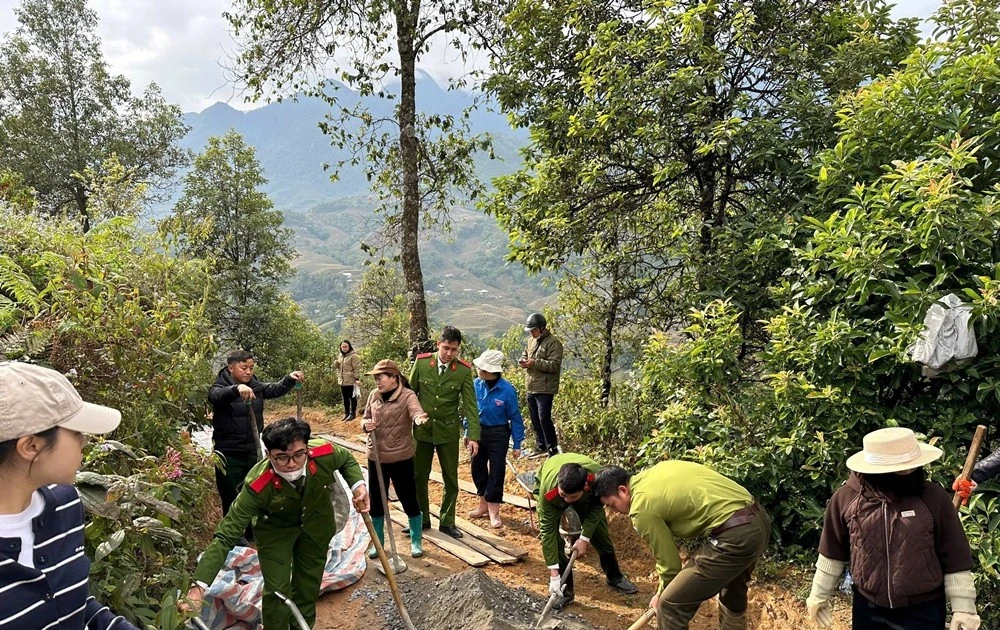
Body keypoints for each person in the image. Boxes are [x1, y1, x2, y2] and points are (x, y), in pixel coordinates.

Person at [183, 418, 369, 630]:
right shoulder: (257, 485)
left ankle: (302, 627)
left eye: (298, 454)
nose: (291, 464)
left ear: (307, 448)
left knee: (308, 586)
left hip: (316, 526)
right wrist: (198, 587)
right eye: (281, 458)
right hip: (275, 532)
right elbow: (226, 535)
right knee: (277, 590)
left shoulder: (323, 453)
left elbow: (347, 460)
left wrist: (358, 485)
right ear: (268, 454)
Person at [0, 361, 140, 630]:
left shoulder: (63, 503)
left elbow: (72, 603)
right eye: (76, 433)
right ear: (31, 446)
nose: (84, 442)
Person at [807, 427, 981, 630]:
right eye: (900, 467)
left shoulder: (933, 498)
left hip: (923, 611)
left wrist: (964, 607)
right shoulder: (846, 498)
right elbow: (832, 551)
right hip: (868, 608)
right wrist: (818, 594)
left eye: (911, 465)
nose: (909, 471)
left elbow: (955, 557)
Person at [594, 461, 770, 630]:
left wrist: (661, 594)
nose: (614, 511)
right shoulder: (658, 471)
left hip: (735, 536)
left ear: (623, 490)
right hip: (758, 520)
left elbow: (670, 565)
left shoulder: (641, 508)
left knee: (670, 605)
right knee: (733, 590)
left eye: (612, 504)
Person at [208, 350, 304, 526]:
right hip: (228, 452)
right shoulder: (219, 388)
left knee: (253, 489)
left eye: (251, 368)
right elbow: (215, 396)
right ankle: (234, 533)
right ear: (230, 368)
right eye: (243, 367)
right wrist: (236, 389)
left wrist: (289, 379)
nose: (248, 372)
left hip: (252, 449)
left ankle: (252, 528)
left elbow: (273, 389)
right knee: (230, 493)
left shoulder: (255, 386)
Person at [536, 453, 639, 610]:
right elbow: (547, 530)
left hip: (587, 496)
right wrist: (554, 574)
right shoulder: (549, 490)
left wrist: (584, 538)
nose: (567, 502)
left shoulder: (598, 480)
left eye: (572, 497)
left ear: (584, 487)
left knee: (600, 533)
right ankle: (565, 591)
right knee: (554, 542)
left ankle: (615, 577)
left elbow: (597, 509)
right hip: (552, 478)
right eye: (564, 496)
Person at [408, 326, 481, 539]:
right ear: (438, 344)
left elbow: (470, 405)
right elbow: (410, 394)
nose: (449, 353)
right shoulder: (422, 363)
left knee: (451, 478)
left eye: (454, 350)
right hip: (422, 430)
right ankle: (420, 518)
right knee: (419, 476)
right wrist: (408, 421)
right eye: (446, 348)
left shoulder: (463, 371)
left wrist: (473, 435)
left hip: (447, 432)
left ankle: (447, 521)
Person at [362, 359, 428, 558]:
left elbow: (416, 411)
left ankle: (416, 540)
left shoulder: (407, 396)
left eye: (380, 377)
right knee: (376, 501)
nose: (377, 381)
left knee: (408, 497)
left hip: (400, 456)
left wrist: (419, 419)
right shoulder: (374, 395)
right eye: (375, 378)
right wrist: (365, 425)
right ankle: (379, 543)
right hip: (376, 456)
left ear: (394, 378)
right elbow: (364, 417)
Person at [468, 349, 525, 528]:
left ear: (492, 371)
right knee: (477, 467)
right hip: (478, 431)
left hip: (499, 433)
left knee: (497, 470)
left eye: (483, 368)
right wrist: (468, 433)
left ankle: (494, 510)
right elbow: (469, 412)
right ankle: (482, 504)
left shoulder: (507, 390)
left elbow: (515, 417)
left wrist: (517, 443)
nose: (479, 370)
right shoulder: (475, 385)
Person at [518, 312, 563, 458]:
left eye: (534, 330)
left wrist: (535, 363)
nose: (531, 333)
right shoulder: (531, 340)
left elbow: (554, 365)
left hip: (545, 387)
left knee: (544, 417)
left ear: (542, 328)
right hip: (531, 386)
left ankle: (552, 448)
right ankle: (540, 445)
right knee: (535, 418)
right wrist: (523, 360)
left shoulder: (553, 343)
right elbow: (526, 353)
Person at [335, 340, 362, 421]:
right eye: (343, 347)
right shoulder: (341, 356)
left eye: (346, 346)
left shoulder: (354, 356)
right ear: (340, 347)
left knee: (352, 398)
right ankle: (346, 413)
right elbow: (338, 368)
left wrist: (356, 378)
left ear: (349, 346)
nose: (344, 348)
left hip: (351, 380)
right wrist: (336, 363)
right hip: (343, 381)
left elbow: (356, 368)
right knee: (345, 398)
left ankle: (352, 413)